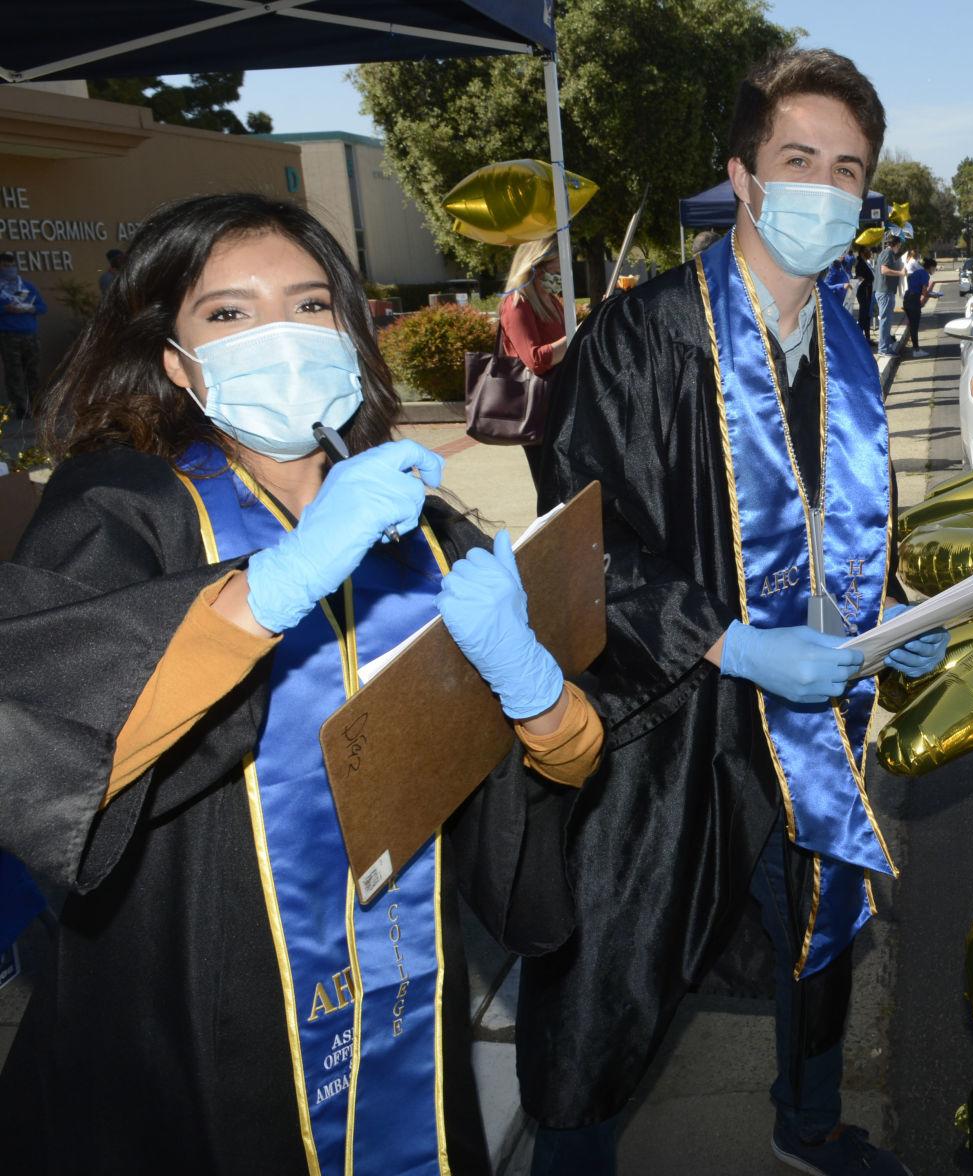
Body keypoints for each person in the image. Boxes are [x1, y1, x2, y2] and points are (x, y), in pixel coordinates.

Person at [0, 192, 605, 1174]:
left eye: (311, 305)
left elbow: (562, 771)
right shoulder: (122, 512)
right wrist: (267, 592)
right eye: (229, 313)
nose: (278, 335)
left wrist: (532, 685)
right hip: (199, 1011)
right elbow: (40, 749)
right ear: (175, 363)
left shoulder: (425, 531)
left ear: (350, 333)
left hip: (403, 985)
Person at [528, 48, 945, 1175]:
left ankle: (807, 1126)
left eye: (848, 169)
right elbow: (579, 550)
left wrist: (892, 615)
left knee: (818, 937)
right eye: (797, 157)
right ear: (745, 176)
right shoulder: (645, 336)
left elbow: (827, 528)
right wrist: (731, 640)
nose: (823, 185)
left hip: (808, 726)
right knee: (615, 968)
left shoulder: (848, 348)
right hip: (667, 730)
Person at [498, 238, 569, 493]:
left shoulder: (552, 301)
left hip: (560, 403)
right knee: (550, 488)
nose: (562, 273)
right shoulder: (517, 304)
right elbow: (534, 360)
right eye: (557, 267)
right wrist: (574, 336)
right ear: (536, 265)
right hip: (539, 410)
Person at [0, 251, 47, 418]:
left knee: (32, 371)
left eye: (12, 265)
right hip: (9, 336)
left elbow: (42, 307)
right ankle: (21, 407)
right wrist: (6, 309)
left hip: (30, 335)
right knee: (15, 374)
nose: (9, 268)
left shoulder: (27, 286)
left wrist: (31, 308)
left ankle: (35, 405)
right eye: (5, 265)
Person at [874, 232, 905, 355]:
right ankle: (883, 349)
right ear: (896, 244)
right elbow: (884, 270)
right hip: (885, 291)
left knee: (886, 320)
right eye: (899, 245)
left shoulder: (887, 253)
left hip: (885, 291)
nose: (899, 248)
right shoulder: (888, 253)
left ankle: (885, 346)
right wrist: (900, 273)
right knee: (885, 321)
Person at [901, 254, 936, 357]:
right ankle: (916, 350)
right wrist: (933, 295)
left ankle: (915, 349)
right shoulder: (926, 275)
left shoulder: (917, 272)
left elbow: (914, 286)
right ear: (930, 267)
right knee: (915, 326)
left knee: (912, 326)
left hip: (907, 299)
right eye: (934, 268)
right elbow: (924, 292)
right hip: (913, 301)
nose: (935, 270)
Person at [852, 244, 876, 344]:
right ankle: (860, 339)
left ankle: (867, 338)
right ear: (862, 253)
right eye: (867, 251)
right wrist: (867, 281)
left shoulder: (866, 263)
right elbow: (860, 279)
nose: (869, 252)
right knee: (863, 316)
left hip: (868, 291)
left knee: (867, 316)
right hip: (864, 292)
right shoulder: (860, 264)